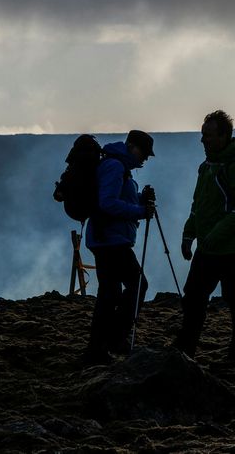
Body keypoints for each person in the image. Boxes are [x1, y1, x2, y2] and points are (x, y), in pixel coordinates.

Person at [174, 110, 235, 363]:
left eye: (208, 135)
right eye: (202, 134)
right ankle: (185, 348)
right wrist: (189, 235)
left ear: (224, 136)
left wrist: (213, 235)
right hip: (208, 248)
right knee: (195, 298)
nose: (203, 140)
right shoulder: (207, 167)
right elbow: (198, 205)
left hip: (231, 249)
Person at [82, 130, 156, 365]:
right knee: (137, 284)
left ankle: (99, 347)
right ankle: (113, 339)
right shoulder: (115, 166)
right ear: (132, 147)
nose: (145, 159)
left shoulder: (119, 167)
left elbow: (115, 200)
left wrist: (140, 202)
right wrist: (140, 211)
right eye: (144, 153)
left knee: (109, 293)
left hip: (106, 239)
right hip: (110, 240)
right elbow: (108, 203)